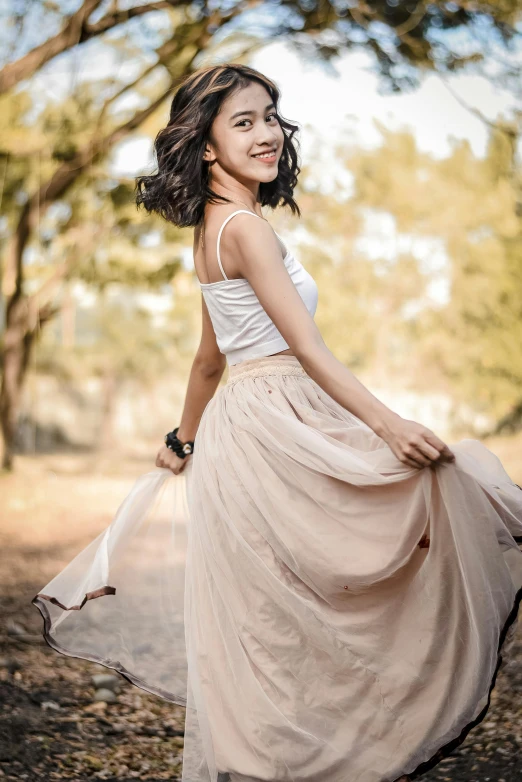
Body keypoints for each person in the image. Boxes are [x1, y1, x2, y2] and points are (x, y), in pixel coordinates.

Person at [32, 63, 522, 782]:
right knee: (428, 496)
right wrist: (388, 425)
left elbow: (208, 361)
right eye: (244, 122)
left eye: (270, 117)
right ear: (203, 146)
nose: (267, 134)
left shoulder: (211, 230)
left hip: (243, 427)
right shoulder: (246, 233)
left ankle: (277, 758)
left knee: (276, 617)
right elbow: (306, 349)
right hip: (275, 423)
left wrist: (185, 437)